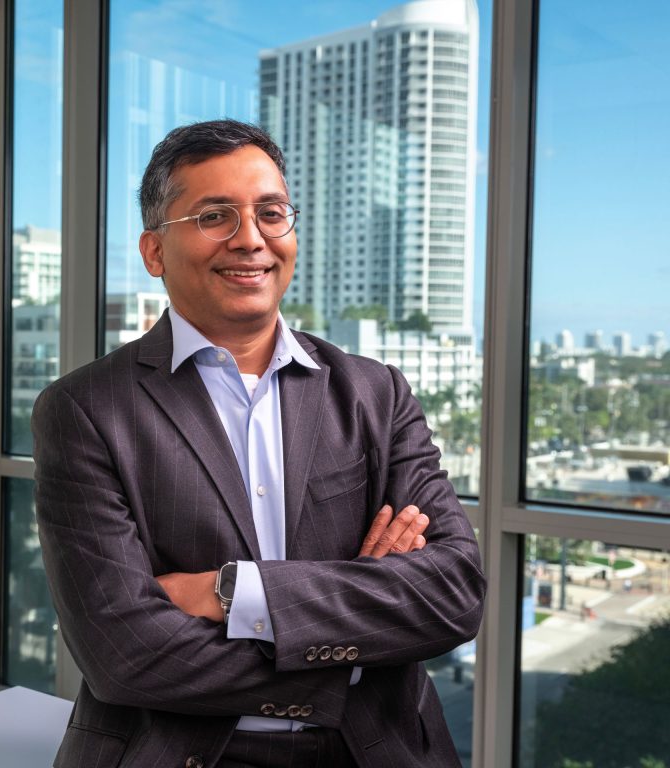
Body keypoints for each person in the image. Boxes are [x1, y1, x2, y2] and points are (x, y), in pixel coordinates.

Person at [32, 119, 485, 768]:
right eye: (215, 216)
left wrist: (231, 594)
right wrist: (354, 641)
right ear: (154, 252)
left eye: (271, 213)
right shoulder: (86, 411)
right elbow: (125, 654)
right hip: (182, 752)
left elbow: (453, 593)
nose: (251, 239)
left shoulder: (374, 393)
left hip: (375, 750)